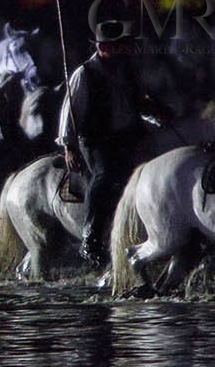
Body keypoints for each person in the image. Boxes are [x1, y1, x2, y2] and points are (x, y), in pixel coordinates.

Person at [61, 32, 157, 266]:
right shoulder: (85, 73)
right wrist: (68, 146)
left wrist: (157, 113)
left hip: (126, 136)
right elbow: (71, 110)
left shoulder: (127, 71)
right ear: (102, 47)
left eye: (120, 46)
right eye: (114, 46)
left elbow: (137, 103)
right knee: (104, 175)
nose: (119, 51)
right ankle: (91, 235)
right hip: (96, 139)